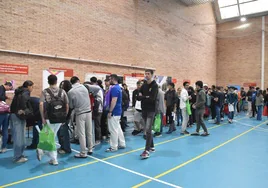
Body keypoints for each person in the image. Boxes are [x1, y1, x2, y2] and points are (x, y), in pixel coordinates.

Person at [38, 75, 69, 165]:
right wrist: (64, 116)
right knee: (52, 136)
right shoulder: (62, 91)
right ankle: (47, 153)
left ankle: (50, 156)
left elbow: (40, 104)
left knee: (50, 137)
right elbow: (67, 105)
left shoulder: (45, 92)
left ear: (48, 82)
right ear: (56, 81)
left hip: (49, 118)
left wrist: (42, 117)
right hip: (60, 118)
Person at [68, 76, 93, 157]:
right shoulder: (84, 87)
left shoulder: (71, 92)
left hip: (80, 113)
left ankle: (83, 152)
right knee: (89, 131)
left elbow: (71, 106)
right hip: (89, 112)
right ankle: (90, 148)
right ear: (78, 81)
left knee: (81, 134)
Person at [10, 80, 34, 163]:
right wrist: (26, 111)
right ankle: (17, 157)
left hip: (14, 115)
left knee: (19, 136)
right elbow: (23, 104)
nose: (32, 89)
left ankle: (20, 154)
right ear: (28, 86)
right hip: (18, 116)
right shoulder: (25, 92)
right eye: (32, 87)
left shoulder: (19, 91)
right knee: (19, 137)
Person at [137, 69, 158, 159]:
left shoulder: (154, 86)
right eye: (145, 74)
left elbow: (152, 98)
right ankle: (152, 146)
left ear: (152, 75)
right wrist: (145, 96)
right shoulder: (144, 85)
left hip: (151, 110)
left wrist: (143, 97)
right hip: (144, 109)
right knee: (147, 129)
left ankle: (146, 150)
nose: (146, 75)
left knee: (148, 130)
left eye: (148, 74)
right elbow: (138, 97)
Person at [106, 74, 126, 152]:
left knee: (113, 130)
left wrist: (110, 111)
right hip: (118, 111)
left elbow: (113, 100)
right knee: (118, 128)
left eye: (110, 79)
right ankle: (122, 143)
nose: (109, 81)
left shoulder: (115, 88)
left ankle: (114, 146)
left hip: (114, 112)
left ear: (113, 79)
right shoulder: (118, 88)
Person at [57, 80, 73, 154]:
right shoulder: (63, 94)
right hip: (62, 116)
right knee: (60, 132)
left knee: (63, 132)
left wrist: (64, 117)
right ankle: (63, 146)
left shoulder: (67, 94)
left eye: (62, 85)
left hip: (64, 116)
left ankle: (66, 148)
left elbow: (67, 107)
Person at [0, 81, 13, 153]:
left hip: (1, 112)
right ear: (7, 85)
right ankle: (3, 147)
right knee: (5, 130)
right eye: (9, 88)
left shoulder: (1, 89)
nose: (8, 90)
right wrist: (6, 97)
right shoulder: (1, 88)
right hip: (5, 112)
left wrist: (6, 97)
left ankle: (3, 146)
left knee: (4, 130)